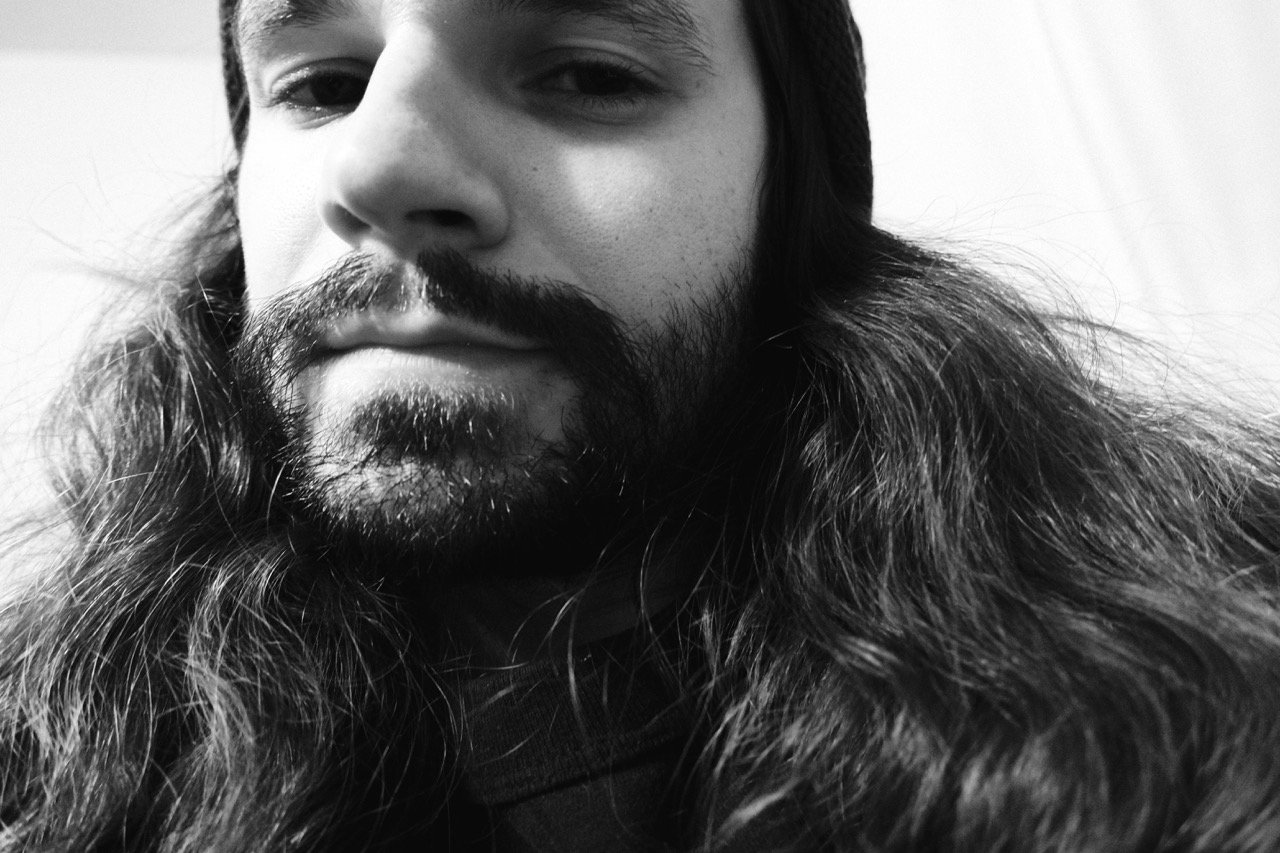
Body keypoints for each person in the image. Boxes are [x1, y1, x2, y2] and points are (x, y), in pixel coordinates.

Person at [4, 0, 1280, 850]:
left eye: (585, 75)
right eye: (322, 84)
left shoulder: (1205, 712)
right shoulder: (53, 765)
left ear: (792, 200)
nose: (378, 167)